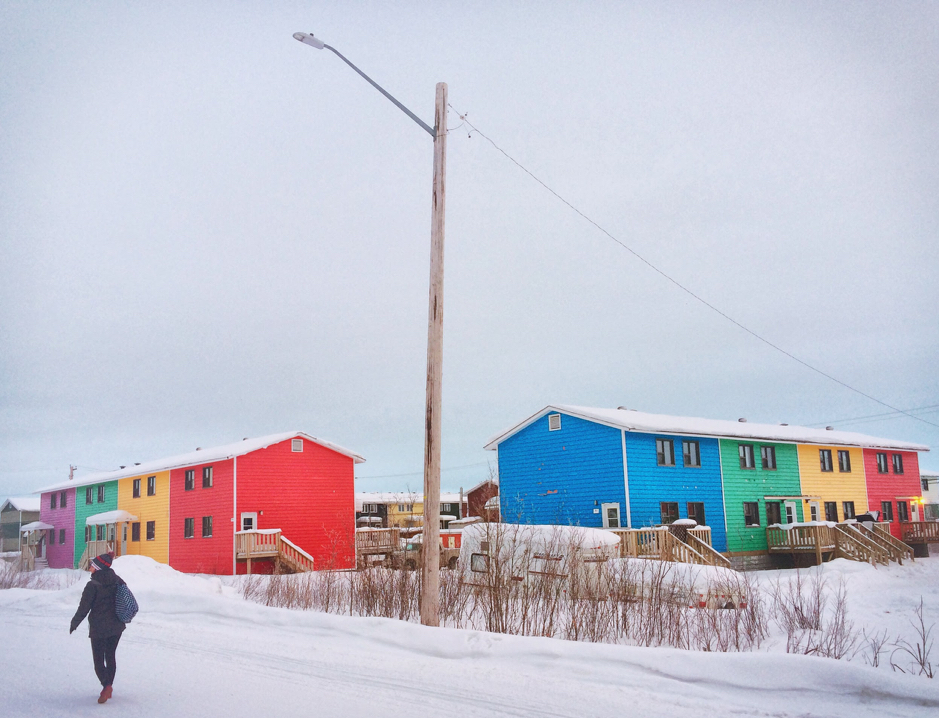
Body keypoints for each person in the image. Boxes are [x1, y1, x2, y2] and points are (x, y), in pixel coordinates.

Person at [70, 552, 126, 704]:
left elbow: (84, 608)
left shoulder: (92, 585)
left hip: (99, 628)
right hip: (117, 626)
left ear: (99, 568)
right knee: (110, 656)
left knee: (98, 661)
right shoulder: (117, 580)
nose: (90, 568)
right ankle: (108, 686)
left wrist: (74, 623)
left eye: (92, 565)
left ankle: (106, 686)